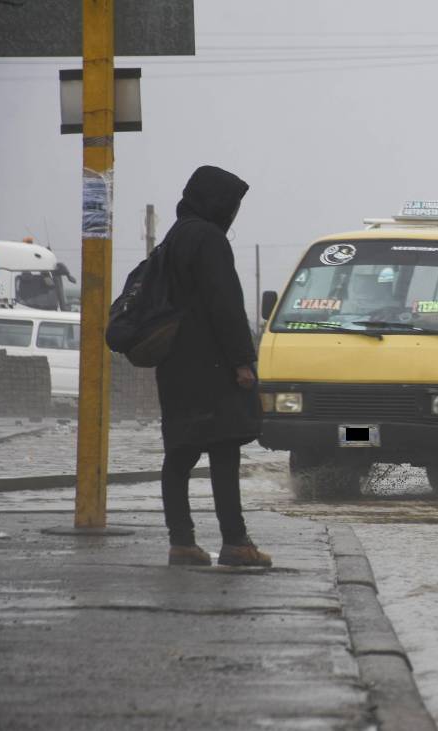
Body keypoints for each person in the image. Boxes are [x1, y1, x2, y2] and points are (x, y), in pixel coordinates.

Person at [157, 165, 270, 568]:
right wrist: (243, 361)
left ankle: (181, 542)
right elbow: (225, 307)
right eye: (232, 204)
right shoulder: (208, 239)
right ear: (218, 203)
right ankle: (236, 542)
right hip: (212, 364)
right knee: (224, 449)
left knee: (180, 453)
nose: (234, 213)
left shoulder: (174, 237)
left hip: (175, 367)